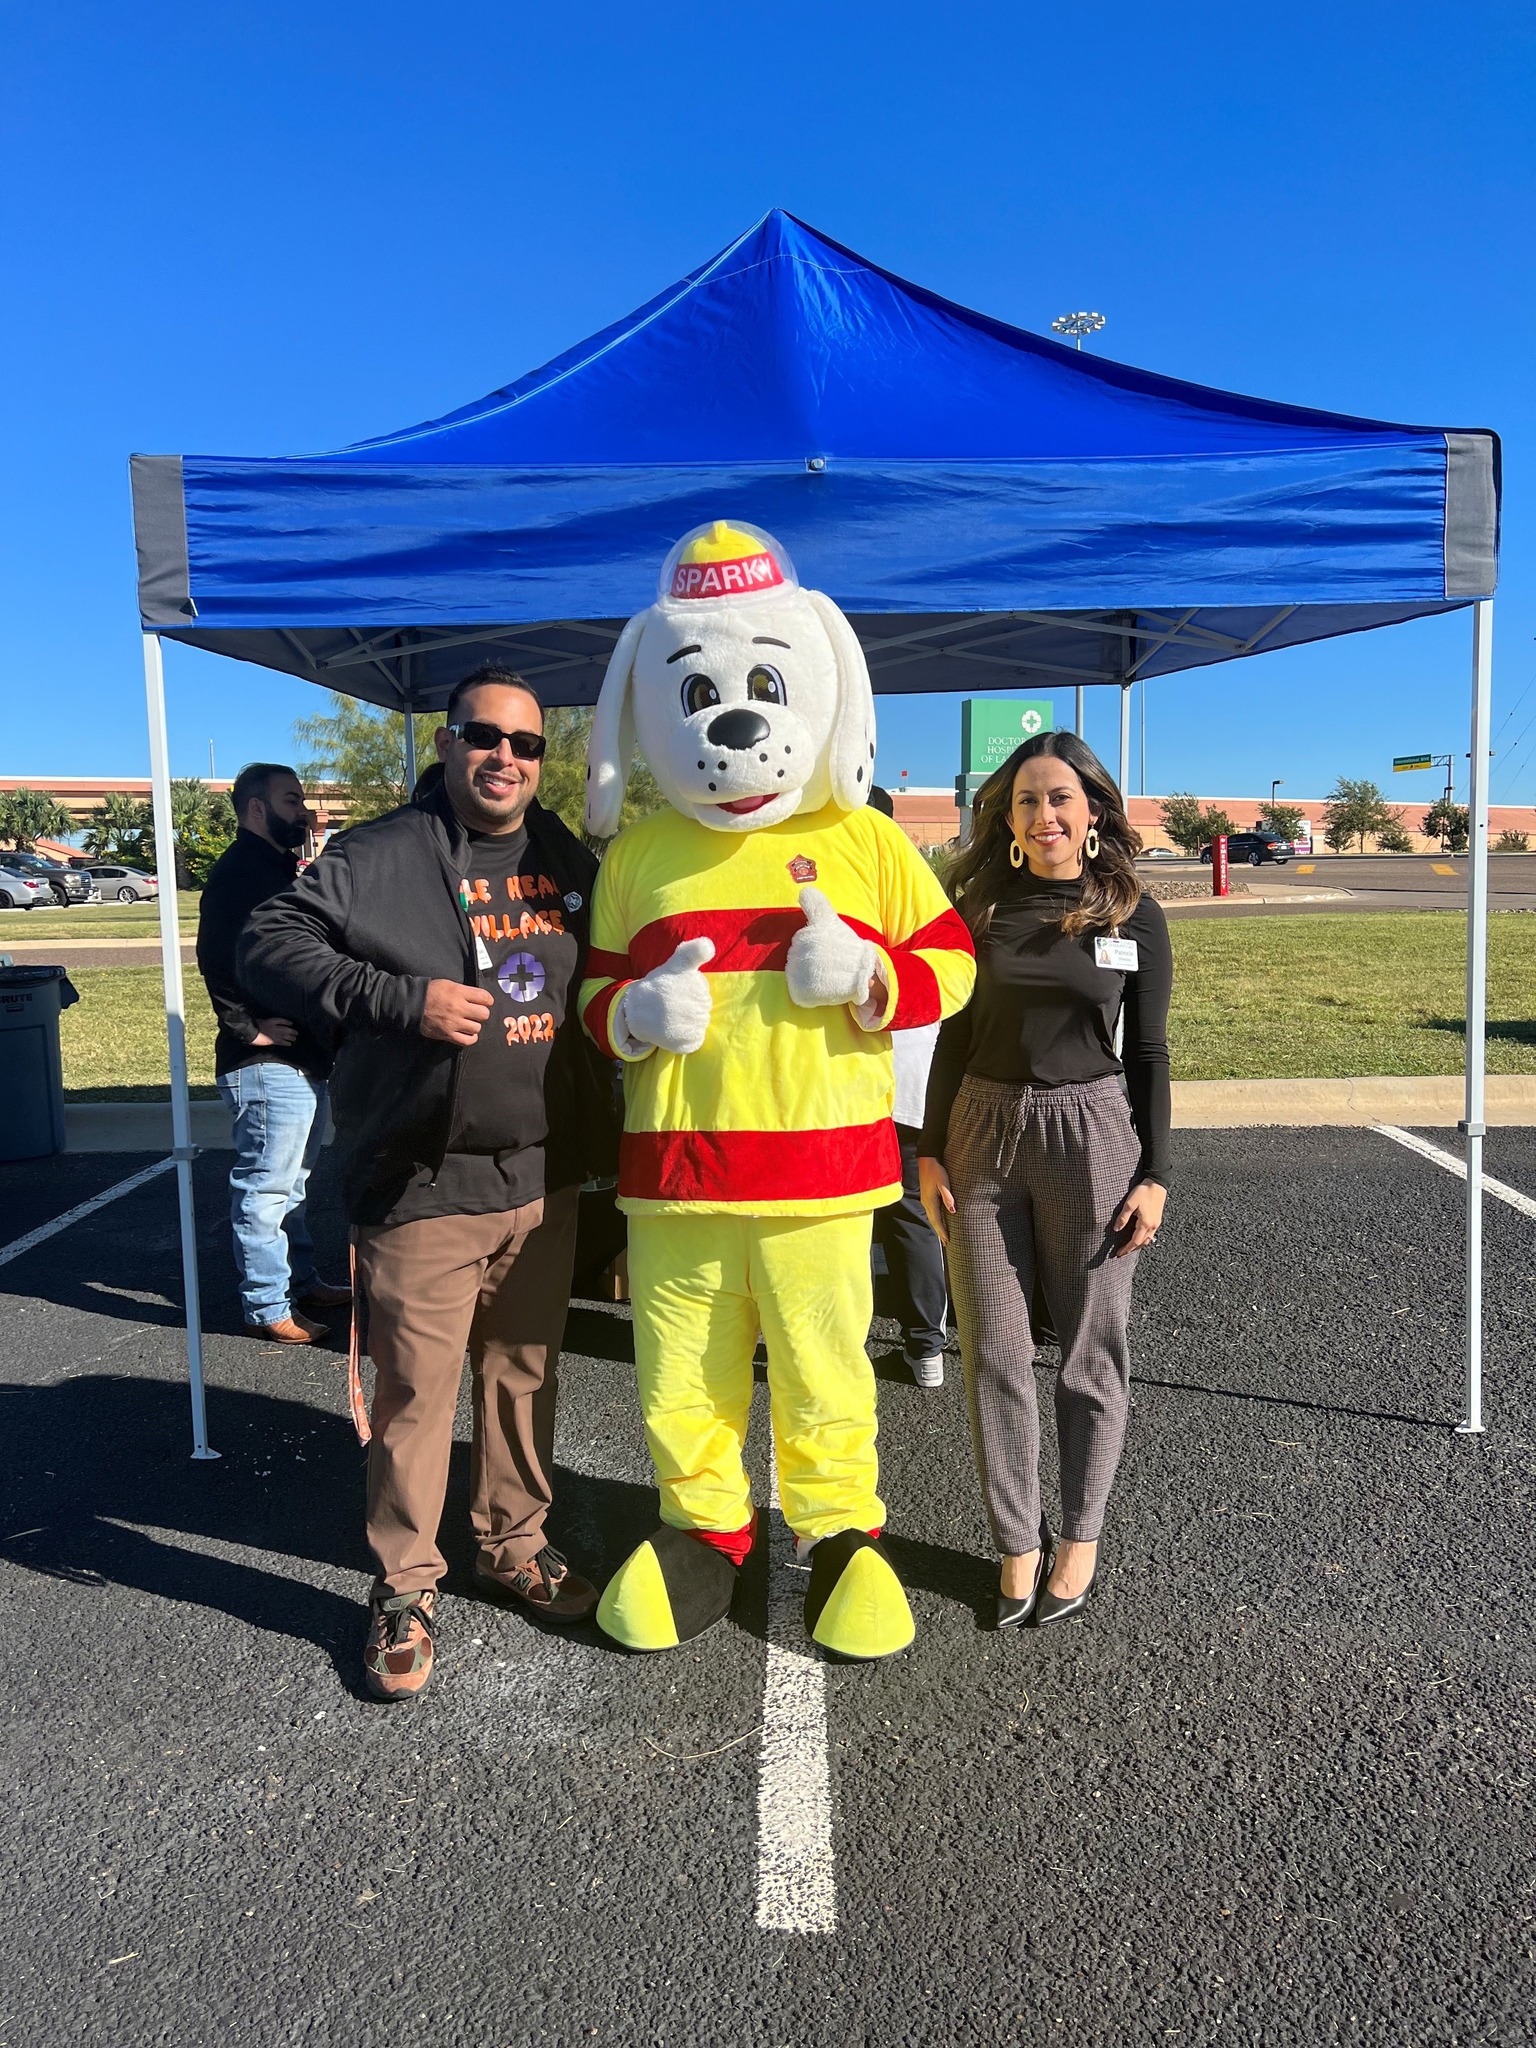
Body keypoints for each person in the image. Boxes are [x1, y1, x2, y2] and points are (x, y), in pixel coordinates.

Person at [239, 667, 618, 1703]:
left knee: (524, 1380)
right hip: (420, 1178)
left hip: (542, 1174)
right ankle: (405, 1583)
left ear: (544, 760)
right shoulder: (381, 854)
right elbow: (265, 940)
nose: (506, 757)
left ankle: (514, 1542)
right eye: (483, 736)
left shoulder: (563, 859)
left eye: (527, 744)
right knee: (416, 1395)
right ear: (448, 746)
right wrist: (397, 998)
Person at [918, 732, 1171, 1630]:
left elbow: (1146, 1052)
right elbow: (951, 1034)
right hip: (981, 1134)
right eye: (1027, 800)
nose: (1045, 814)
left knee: (1090, 1357)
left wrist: (1155, 1174)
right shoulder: (976, 907)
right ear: (1009, 817)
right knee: (993, 1350)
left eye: (1061, 797)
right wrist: (929, 1148)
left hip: (1092, 1139)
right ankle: (1016, 1543)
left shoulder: (1130, 913)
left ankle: (1081, 1537)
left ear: (1092, 809)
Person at [196, 762, 349, 1344]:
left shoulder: (280, 871)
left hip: (303, 1060)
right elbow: (215, 956)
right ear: (255, 809)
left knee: (297, 1183)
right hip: (265, 1066)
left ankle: (301, 1281)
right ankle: (267, 1306)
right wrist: (247, 1027)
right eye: (292, 800)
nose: (304, 810)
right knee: (265, 1189)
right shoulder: (239, 875)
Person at [867, 786, 950, 1388]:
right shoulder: (920, 885)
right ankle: (926, 1346)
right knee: (908, 1212)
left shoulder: (848, 880)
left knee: (847, 1213)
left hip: (866, 1076)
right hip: (917, 1078)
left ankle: (852, 1342)